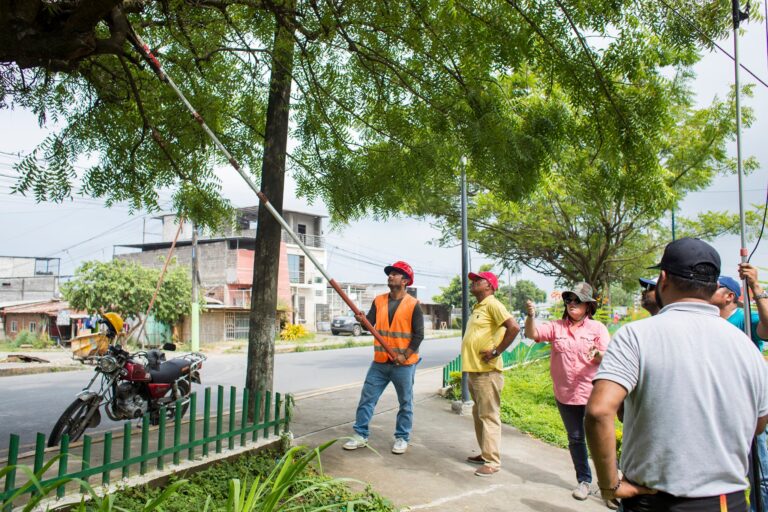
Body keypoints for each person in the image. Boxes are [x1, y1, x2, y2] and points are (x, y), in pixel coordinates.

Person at [586, 237, 768, 512]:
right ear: (712, 286)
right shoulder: (746, 345)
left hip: (652, 500)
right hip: (726, 502)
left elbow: (599, 411)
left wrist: (609, 484)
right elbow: (759, 423)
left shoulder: (636, 335)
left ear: (663, 278)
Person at [525, 283, 611, 502]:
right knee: (575, 439)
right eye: (569, 300)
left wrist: (597, 354)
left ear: (588, 306)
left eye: (577, 300)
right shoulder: (556, 327)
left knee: (600, 438)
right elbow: (532, 333)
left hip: (593, 393)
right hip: (565, 394)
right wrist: (531, 316)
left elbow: (608, 357)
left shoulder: (598, 329)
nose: (572, 304)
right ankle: (584, 481)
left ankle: (610, 485)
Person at [343, 261, 424, 455]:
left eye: (395, 274)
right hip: (380, 362)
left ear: (405, 281)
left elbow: (419, 335)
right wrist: (362, 320)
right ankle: (360, 435)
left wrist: (404, 355)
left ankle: (402, 437)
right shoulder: (378, 301)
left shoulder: (413, 305)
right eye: (390, 274)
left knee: (405, 402)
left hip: (403, 365)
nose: (390, 276)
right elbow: (369, 325)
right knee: (366, 399)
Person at [711, 265, 768, 511]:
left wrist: (756, 287)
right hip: (719, 407)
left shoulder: (745, 318)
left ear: (729, 296)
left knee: (761, 472)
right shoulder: (708, 322)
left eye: (714, 287)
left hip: (748, 406)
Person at [461, 271, 520, 477]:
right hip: (475, 370)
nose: (474, 283)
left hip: (488, 372)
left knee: (489, 416)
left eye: (479, 280)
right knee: (479, 415)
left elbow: (513, 327)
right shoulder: (479, 306)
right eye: (474, 280)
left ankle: (493, 462)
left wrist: (496, 351)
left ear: (490, 286)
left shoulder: (493, 304)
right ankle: (485, 453)